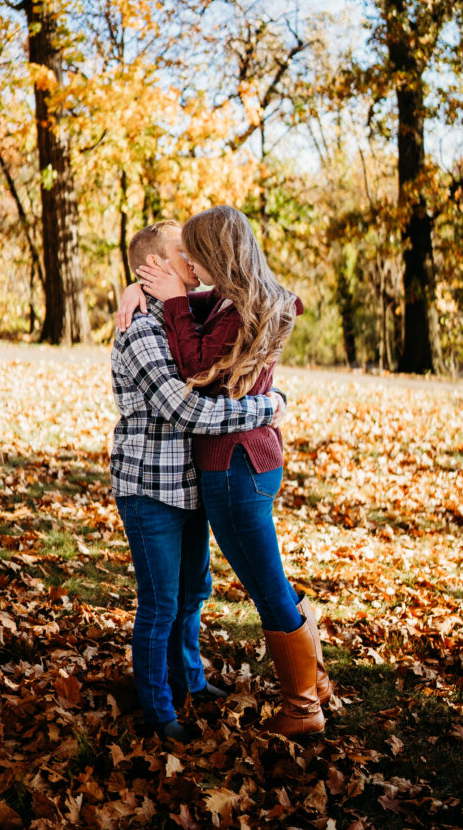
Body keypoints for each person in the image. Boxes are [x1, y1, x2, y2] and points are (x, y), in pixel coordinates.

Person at [119, 206, 332, 738]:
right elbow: (186, 384)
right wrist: (135, 290)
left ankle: (305, 702)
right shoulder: (212, 304)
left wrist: (157, 294)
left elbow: (193, 363)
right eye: (177, 256)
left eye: (194, 253)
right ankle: (307, 686)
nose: (188, 262)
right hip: (193, 472)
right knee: (192, 596)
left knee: (251, 587)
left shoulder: (231, 307)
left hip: (230, 464)